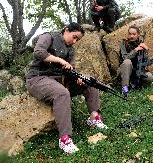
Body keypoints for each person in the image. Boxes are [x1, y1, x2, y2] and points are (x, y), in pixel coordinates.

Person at [26, 22, 108, 154]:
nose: (75, 41)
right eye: (74, 37)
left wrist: (78, 77)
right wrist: (60, 60)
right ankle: (64, 139)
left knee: (89, 82)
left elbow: (70, 70)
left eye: (78, 39)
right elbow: (39, 52)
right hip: (38, 79)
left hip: (60, 81)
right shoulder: (49, 37)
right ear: (66, 30)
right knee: (62, 94)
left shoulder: (71, 50)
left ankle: (94, 117)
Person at [117, 25, 153, 96]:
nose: (131, 36)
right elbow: (125, 58)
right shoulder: (123, 43)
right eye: (130, 34)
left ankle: (135, 84)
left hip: (137, 72)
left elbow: (146, 60)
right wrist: (136, 50)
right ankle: (125, 88)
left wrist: (146, 50)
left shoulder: (141, 44)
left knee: (149, 76)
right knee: (127, 62)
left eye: (134, 34)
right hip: (124, 72)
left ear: (138, 35)